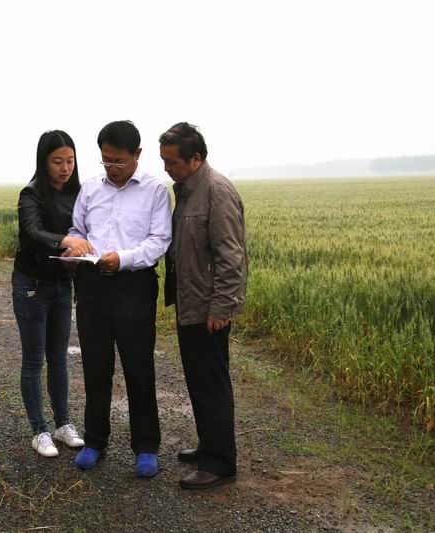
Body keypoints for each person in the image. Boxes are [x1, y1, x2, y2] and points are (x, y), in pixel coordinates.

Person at [68, 120, 172, 477]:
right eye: (106, 160)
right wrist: (75, 244)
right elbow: (77, 228)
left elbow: (159, 241)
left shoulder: (155, 191)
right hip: (92, 285)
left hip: (134, 286)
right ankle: (95, 441)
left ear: (137, 154)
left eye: (119, 161)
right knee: (95, 367)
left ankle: (145, 447)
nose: (112, 167)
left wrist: (123, 259)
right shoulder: (90, 188)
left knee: (138, 368)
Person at [159, 122, 248, 490]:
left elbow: (232, 257)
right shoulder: (187, 189)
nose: (167, 168)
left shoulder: (216, 191)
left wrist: (222, 308)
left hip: (209, 309)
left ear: (195, 158)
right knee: (198, 380)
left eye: (172, 162)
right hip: (190, 303)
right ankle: (209, 445)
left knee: (212, 383)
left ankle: (219, 464)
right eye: (164, 161)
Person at [12, 130, 89, 458]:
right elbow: (32, 232)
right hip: (32, 285)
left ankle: (62, 424)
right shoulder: (31, 194)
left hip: (62, 285)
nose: (65, 167)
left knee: (58, 357)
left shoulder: (79, 194)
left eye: (70, 160)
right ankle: (39, 430)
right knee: (34, 359)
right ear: (44, 162)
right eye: (58, 161)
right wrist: (64, 241)